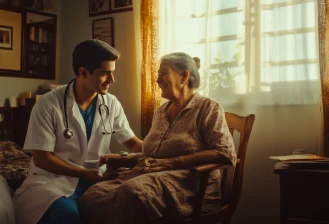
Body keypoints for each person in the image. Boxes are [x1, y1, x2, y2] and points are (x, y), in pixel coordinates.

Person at [79, 52, 237, 224]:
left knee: (133, 193)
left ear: (184, 76)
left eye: (164, 74)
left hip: (190, 185)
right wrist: (123, 159)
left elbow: (224, 152)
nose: (157, 80)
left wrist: (173, 163)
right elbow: (152, 156)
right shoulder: (160, 112)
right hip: (149, 177)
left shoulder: (208, 108)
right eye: (158, 75)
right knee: (92, 196)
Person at [13, 39, 142, 224]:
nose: (112, 80)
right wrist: (84, 173)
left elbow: (132, 142)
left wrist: (161, 152)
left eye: (112, 73)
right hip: (54, 180)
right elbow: (42, 157)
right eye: (104, 73)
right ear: (83, 72)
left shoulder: (111, 103)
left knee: (129, 207)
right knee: (66, 215)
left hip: (97, 179)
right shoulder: (48, 104)